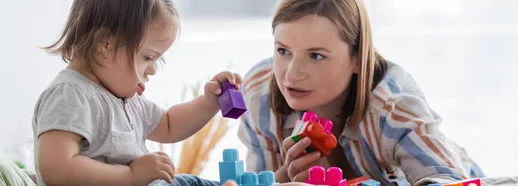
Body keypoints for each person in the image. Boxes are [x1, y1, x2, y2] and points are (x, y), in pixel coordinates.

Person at [237, 0, 486, 185]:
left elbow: (448, 179)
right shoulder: (260, 95)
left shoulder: (393, 106)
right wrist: (286, 176)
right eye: (283, 51)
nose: (292, 74)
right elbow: (260, 180)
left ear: (358, 58)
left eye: (316, 55)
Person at [32, 0, 240, 186]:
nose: (153, 69)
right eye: (148, 57)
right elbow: (57, 169)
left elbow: (169, 124)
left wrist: (209, 102)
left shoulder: (122, 96)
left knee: (193, 182)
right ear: (105, 45)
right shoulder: (70, 95)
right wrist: (131, 176)